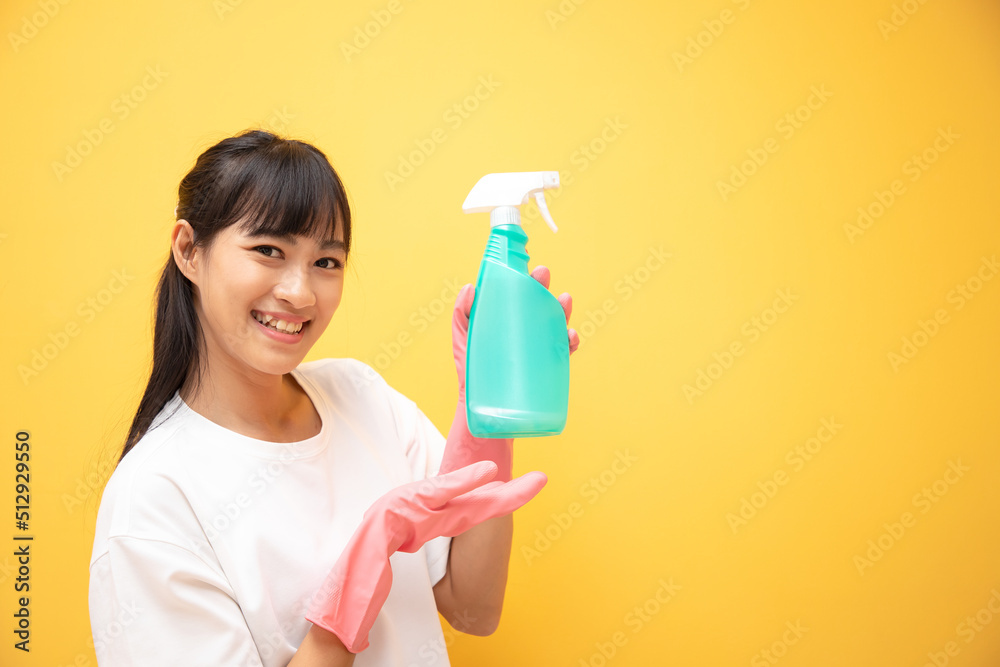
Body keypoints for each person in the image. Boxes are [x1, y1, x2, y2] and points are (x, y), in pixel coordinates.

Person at [88, 129, 580, 667]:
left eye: (327, 262)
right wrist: (347, 597)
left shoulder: (360, 396)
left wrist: (488, 403)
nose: (299, 292)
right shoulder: (154, 499)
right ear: (189, 251)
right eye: (268, 250)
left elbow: (474, 608)